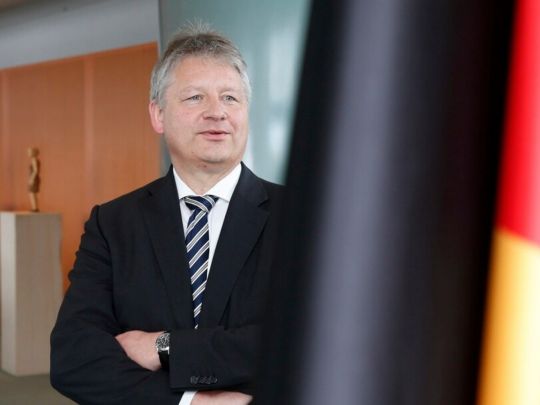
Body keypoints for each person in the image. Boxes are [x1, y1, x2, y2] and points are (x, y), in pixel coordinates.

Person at [50, 24, 283, 405]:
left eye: (230, 97)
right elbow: (73, 357)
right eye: (195, 97)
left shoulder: (301, 218)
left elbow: (311, 340)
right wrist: (191, 403)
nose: (217, 112)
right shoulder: (113, 224)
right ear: (158, 115)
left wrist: (165, 345)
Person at [27, 147, 40, 212]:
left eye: (29, 152)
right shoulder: (34, 160)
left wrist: (32, 179)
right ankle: (34, 207)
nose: (28, 153)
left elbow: (36, 170)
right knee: (32, 193)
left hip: (34, 178)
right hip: (34, 178)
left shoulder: (34, 160)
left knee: (32, 193)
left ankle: (35, 208)